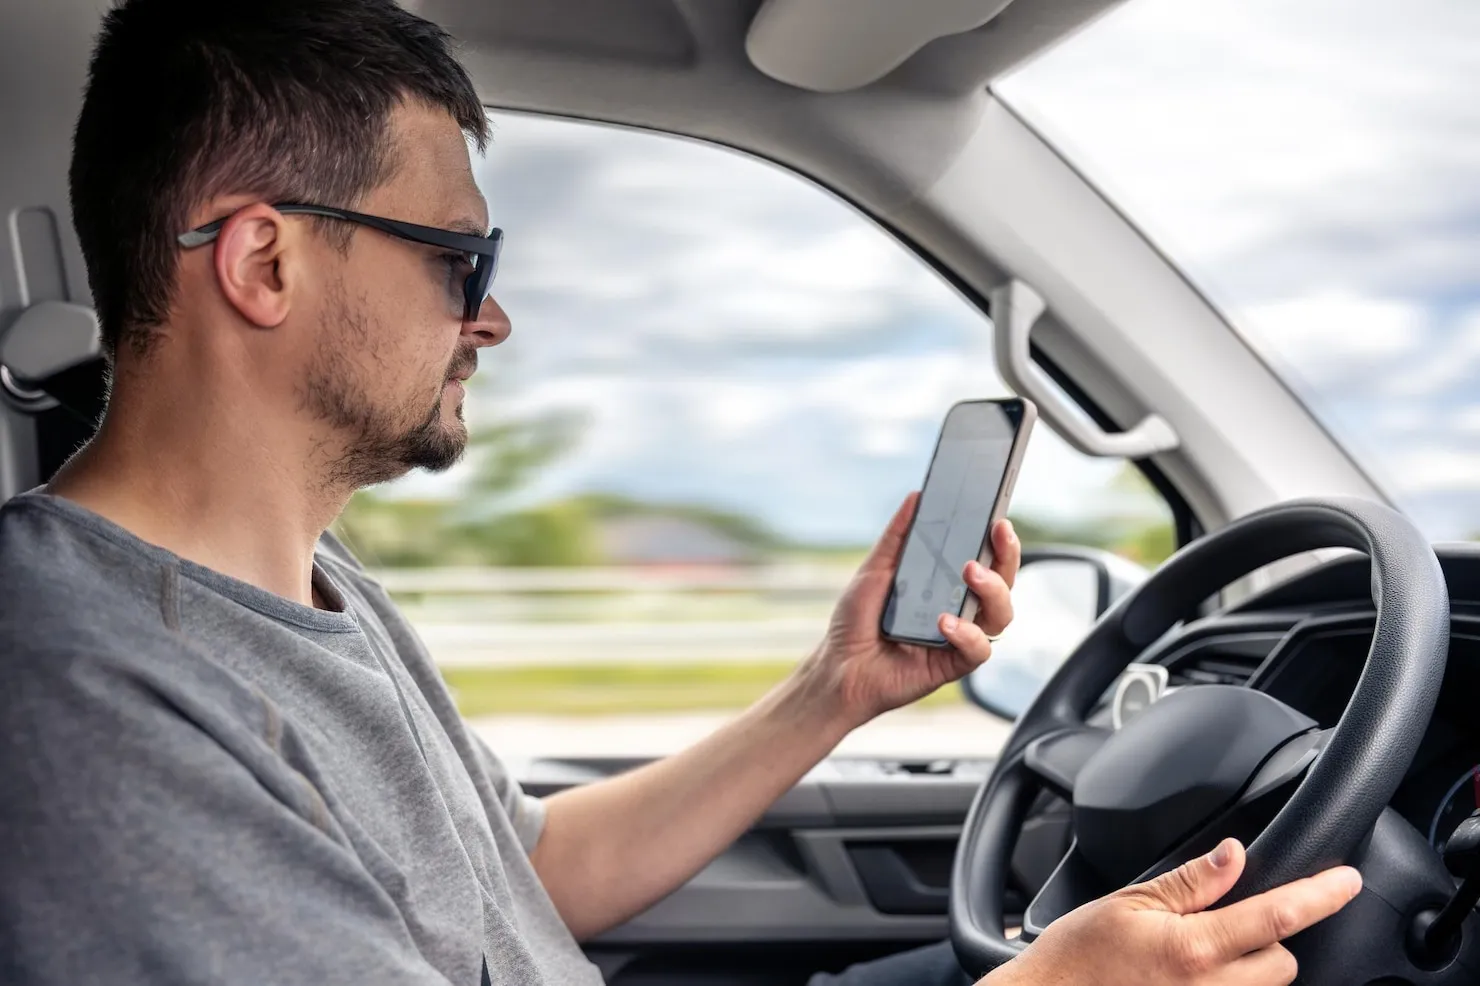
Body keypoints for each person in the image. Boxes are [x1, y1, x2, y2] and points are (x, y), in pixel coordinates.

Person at [0, 1, 1361, 984]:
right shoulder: (86, 693)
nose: (494, 318)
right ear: (265, 264)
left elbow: (520, 876)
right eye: (458, 262)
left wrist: (833, 688)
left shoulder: (306, 579)